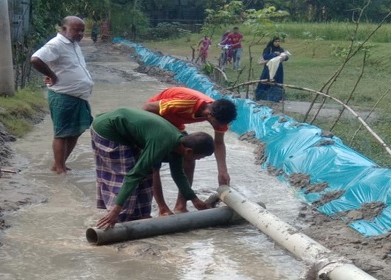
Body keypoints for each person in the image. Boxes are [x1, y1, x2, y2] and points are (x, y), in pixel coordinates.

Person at [91, 108, 215, 229]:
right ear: (189, 151)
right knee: (126, 173)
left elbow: (178, 174)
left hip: (126, 130)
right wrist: (116, 210)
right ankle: (118, 216)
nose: (197, 160)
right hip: (108, 129)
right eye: (199, 157)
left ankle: (140, 214)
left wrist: (194, 199)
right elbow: (133, 175)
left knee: (148, 171)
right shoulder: (162, 143)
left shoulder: (179, 143)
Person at [143, 87, 237, 216]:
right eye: (216, 124)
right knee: (154, 164)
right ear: (209, 114)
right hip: (155, 119)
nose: (218, 127)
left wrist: (222, 171)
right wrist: (158, 137)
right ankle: (163, 208)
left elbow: (219, 143)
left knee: (190, 157)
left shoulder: (220, 117)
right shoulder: (185, 102)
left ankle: (181, 205)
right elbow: (146, 108)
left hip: (175, 125)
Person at [30, 16, 94, 175]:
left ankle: (59, 164)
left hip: (78, 96)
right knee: (62, 133)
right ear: (63, 29)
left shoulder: (73, 45)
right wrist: (51, 75)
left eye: (82, 30)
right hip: (64, 96)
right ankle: (59, 169)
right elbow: (36, 59)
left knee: (76, 130)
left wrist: (53, 73)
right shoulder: (56, 44)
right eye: (76, 30)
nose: (79, 33)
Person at [255, 37, 289, 102]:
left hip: (278, 68)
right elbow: (265, 56)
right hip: (269, 67)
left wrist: (285, 57)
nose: (277, 43)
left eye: (278, 41)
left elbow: (286, 56)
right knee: (266, 80)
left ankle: (275, 97)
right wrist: (274, 54)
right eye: (276, 41)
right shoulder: (268, 49)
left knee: (277, 81)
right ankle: (261, 96)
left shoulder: (280, 49)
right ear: (272, 42)